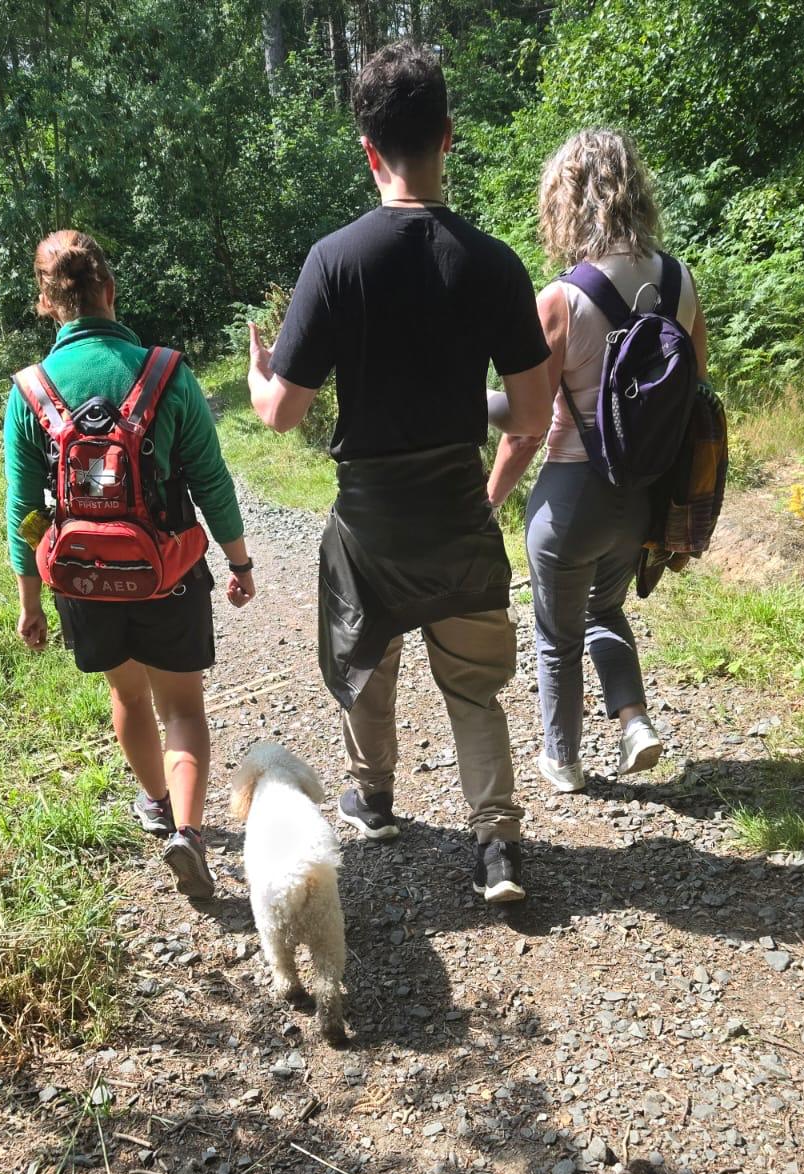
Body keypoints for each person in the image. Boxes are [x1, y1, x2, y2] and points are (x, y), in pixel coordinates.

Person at [247, 42, 551, 904]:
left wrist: (256, 375)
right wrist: (470, 404)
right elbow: (530, 416)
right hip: (456, 510)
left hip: (371, 522)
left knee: (364, 655)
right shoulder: (494, 264)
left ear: (368, 149)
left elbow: (282, 413)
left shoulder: (335, 261)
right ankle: (496, 847)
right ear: (448, 138)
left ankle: (373, 797)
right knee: (474, 691)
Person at [5, 230, 255, 899]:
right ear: (110, 290)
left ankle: (155, 804)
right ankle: (190, 833)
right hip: (168, 573)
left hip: (83, 581)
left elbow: (23, 511)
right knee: (182, 706)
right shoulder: (166, 373)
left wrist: (31, 601)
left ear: (46, 303)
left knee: (127, 694)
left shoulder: (29, 391)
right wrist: (239, 561)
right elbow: (212, 482)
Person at [487, 129, 709, 792]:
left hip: (570, 496)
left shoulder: (561, 299)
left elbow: (526, 426)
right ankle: (635, 722)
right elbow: (692, 394)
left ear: (567, 202)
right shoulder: (679, 280)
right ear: (635, 192)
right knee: (604, 612)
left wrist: (488, 497)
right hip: (642, 493)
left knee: (556, 633)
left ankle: (563, 760)